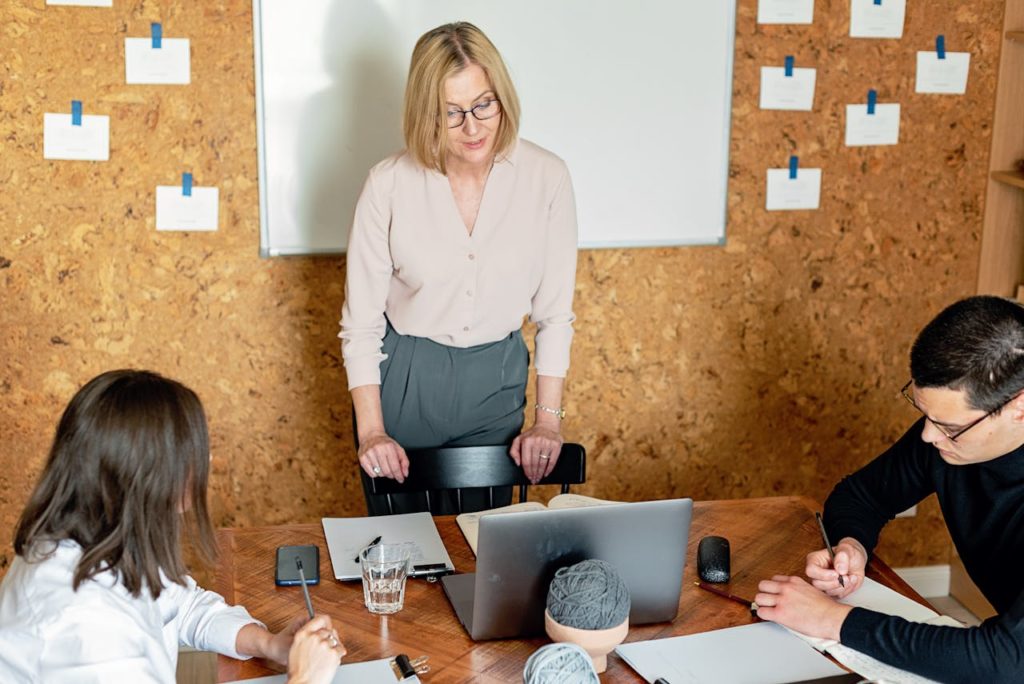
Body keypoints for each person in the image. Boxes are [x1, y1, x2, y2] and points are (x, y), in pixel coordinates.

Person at [339, 22, 579, 514]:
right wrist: (373, 431)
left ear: (502, 97)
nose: (472, 128)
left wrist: (547, 420)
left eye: (483, 105)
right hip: (406, 377)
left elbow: (554, 317)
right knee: (407, 549)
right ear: (425, 113)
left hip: (497, 380)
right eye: (451, 113)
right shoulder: (387, 185)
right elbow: (360, 326)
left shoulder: (547, 178)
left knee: (484, 553)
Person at [0, 370, 345, 683]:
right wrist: (305, 679)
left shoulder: (99, 535)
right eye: (193, 454)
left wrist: (269, 644)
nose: (205, 463)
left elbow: (182, 605)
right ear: (148, 477)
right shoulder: (86, 631)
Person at [755, 296, 1024, 683]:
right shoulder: (946, 437)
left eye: (948, 426)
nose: (929, 436)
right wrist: (851, 546)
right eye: (924, 414)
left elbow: (1006, 661)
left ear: (1019, 407)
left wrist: (834, 620)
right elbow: (862, 495)